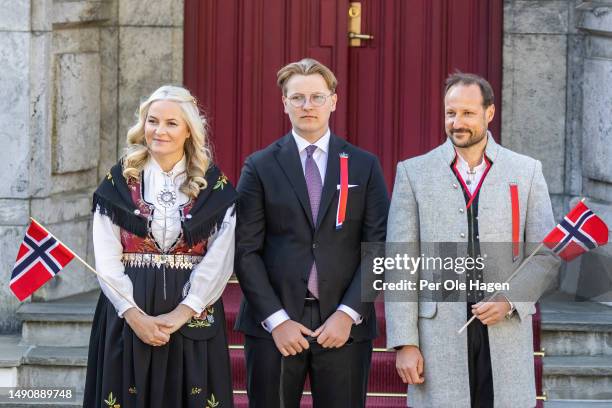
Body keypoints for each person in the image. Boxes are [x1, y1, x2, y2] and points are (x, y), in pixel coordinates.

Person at [384, 73, 560, 407]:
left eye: (467, 113)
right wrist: (404, 342)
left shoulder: (526, 171)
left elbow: (545, 254)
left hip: (505, 328)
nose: (457, 122)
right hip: (439, 334)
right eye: (451, 113)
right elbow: (399, 263)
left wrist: (510, 299)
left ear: (489, 113)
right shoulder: (413, 173)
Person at [234, 58, 389, 408]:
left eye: (317, 97)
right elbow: (245, 250)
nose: (308, 106)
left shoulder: (364, 165)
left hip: (343, 325)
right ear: (284, 103)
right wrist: (276, 321)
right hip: (275, 325)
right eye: (298, 97)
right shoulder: (259, 166)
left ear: (333, 101)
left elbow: (379, 246)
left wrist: (349, 313)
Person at [84, 85, 237, 408]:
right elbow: (107, 257)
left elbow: (220, 258)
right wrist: (134, 315)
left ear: (188, 131)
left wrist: (185, 311)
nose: (159, 131)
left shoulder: (214, 187)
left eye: (171, 123)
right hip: (129, 305)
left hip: (192, 308)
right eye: (153, 121)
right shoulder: (119, 182)